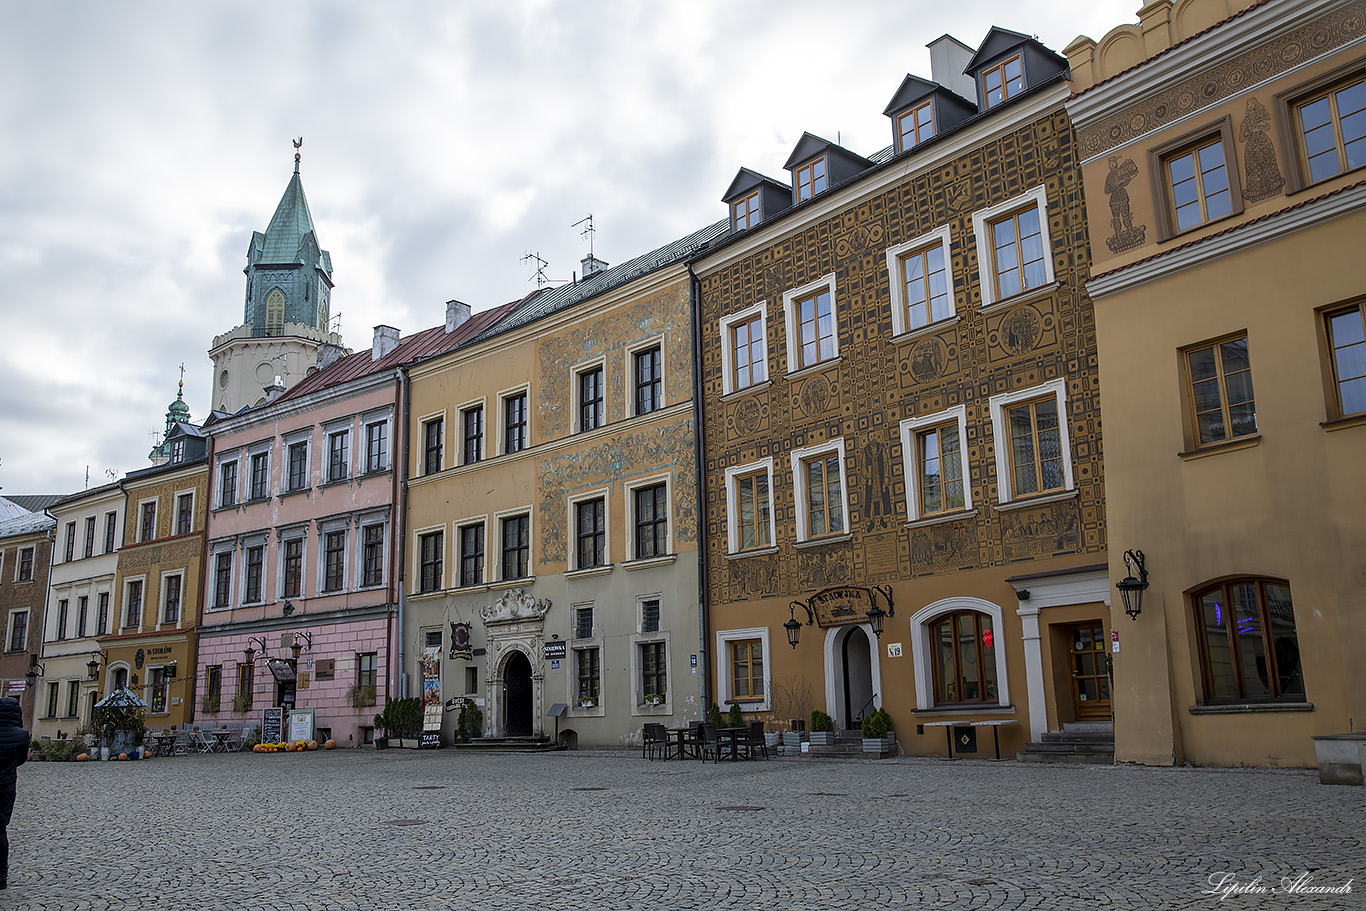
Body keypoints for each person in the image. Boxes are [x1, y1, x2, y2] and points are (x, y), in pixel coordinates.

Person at [0, 696, 30, 889]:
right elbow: (22, 759)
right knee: (0, 828)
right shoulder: (22, 735)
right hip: (6, 786)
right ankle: (1, 874)